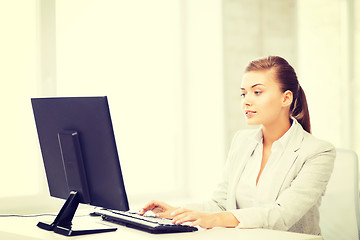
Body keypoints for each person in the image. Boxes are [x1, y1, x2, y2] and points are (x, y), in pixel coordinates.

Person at [138, 56, 335, 235]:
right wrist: (178, 212)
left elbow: (281, 215)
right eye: (243, 94)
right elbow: (221, 204)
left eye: (257, 92)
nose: (246, 101)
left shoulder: (318, 152)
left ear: (286, 98)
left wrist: (213, 219)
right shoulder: (242, 141)